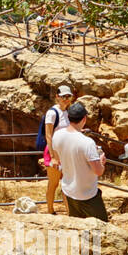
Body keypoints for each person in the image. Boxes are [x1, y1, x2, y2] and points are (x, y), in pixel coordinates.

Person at [50, 101, 108, 220]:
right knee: (100, 229)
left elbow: (59, 158)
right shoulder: (87, 143)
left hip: (69, 191)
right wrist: (101, 161)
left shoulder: (57, 135)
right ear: (84, 119)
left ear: (68, 117)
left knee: (79, 230)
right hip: (87, 195)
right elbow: (99, 172)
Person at [37, 86, 75, 215]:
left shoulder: (68, 112)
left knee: (67, 183)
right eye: (63, 96)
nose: (66, 99)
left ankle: (69, 211)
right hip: (54, 152)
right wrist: (53, 156)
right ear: (57, 97)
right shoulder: (52, 113)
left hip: (65, 152)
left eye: (68, 96)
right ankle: (50, 210)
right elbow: (48, 135)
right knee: (53, 183)